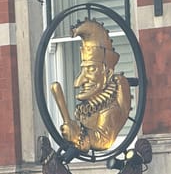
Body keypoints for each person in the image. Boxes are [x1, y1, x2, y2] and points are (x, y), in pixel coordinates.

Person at [54, 18, 131, 152]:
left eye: (91, 70)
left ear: (107, 72)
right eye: (83, 70)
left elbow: (104, 141)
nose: (79, 82)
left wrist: (78, 136)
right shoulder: (87, 108)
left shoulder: (110, 109)